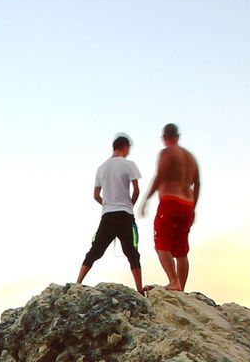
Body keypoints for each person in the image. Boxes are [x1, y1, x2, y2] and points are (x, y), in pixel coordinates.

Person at [75, 133, 143, 292]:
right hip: (125, 214)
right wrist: (130, 204)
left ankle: (78, 282)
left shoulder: (101, 168)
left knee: (95, 249)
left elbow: (96, 195)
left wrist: (106, 204)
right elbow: (137, 190)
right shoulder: (129, 165)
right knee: (131, 251)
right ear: (125, 147)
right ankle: (139, 288)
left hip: (108, 215)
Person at [140, 123, 200, 290]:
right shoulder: (191, 157)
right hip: (187, 204)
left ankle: (174, 281)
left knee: (161, 243)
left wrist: (147, 199)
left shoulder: (166, 153)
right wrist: (194, 207)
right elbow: (197, 183)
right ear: (178, 136)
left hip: (170, 201)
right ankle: (181, 286)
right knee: (181, 250)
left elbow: (161, 175)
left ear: (164, 138)